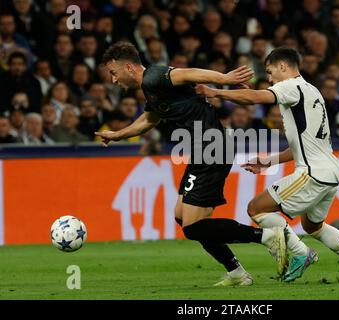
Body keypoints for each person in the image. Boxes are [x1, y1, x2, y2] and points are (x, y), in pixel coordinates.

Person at [95, 41, 288, 286]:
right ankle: (237, 273)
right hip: (203, 152)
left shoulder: (154, 77)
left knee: (193, 227)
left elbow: (186, 73)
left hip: (212, 149)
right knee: (181, 217)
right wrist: (117, 135)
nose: (113, 80)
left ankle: (268, 237)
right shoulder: (152, 90)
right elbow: (149, 119)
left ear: (130, 67)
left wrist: (224, 78)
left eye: (114, 73)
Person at [196, 47, 339, 282]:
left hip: (311, 173)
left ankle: (301, 253)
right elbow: (304, 145)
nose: (269, 79)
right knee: (313, 226)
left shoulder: (292, 86)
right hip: (329, 171)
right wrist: (269, 160)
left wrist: (214, 91)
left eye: (270, 72)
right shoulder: (312, 91)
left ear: (283, 67)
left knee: (256, 208)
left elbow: (254, 97)